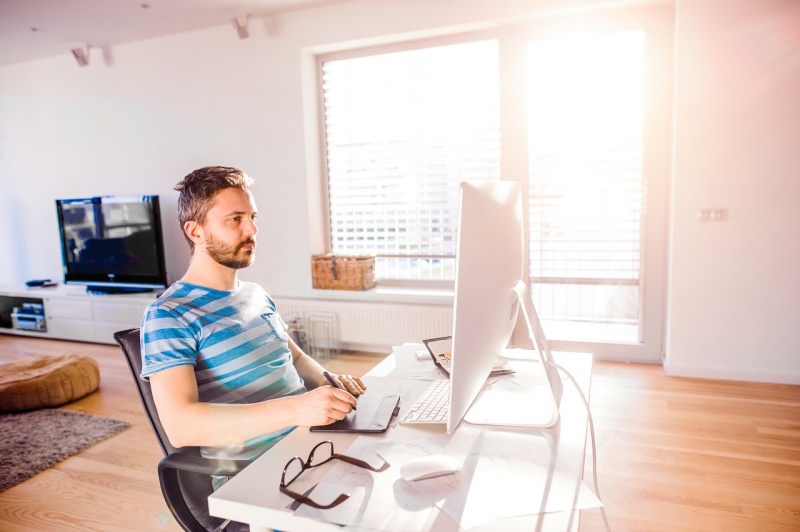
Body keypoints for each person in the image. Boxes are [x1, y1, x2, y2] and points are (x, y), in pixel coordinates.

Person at [140, 165, 365, 465]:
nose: (252, 230)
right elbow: (181, 427)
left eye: (252, 218)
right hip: (261, 468)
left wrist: (330, 382)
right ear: (195, 231)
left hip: (312, 441)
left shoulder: (256, 295)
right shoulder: (168, 315)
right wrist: (297, 409)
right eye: (235, 219)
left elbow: (294, 358)